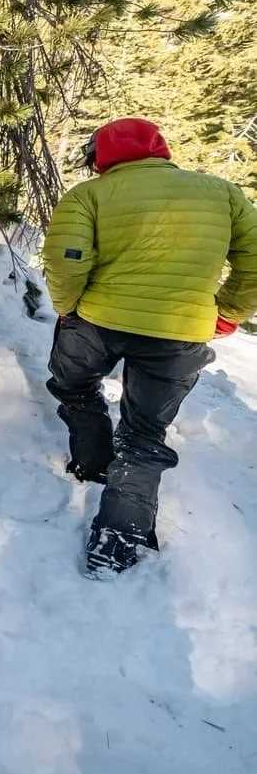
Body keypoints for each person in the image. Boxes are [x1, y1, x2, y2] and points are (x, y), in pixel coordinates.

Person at [43, 117, 257, 575]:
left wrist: (67, 306)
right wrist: (228, 312)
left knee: (74, 385)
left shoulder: (88, 195)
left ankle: (92, 462)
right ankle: (118, 541)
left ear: (100, 156)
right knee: (144, 434)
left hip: (97, 320)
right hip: (179, 332)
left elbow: (66, 260)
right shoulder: (222, 193)